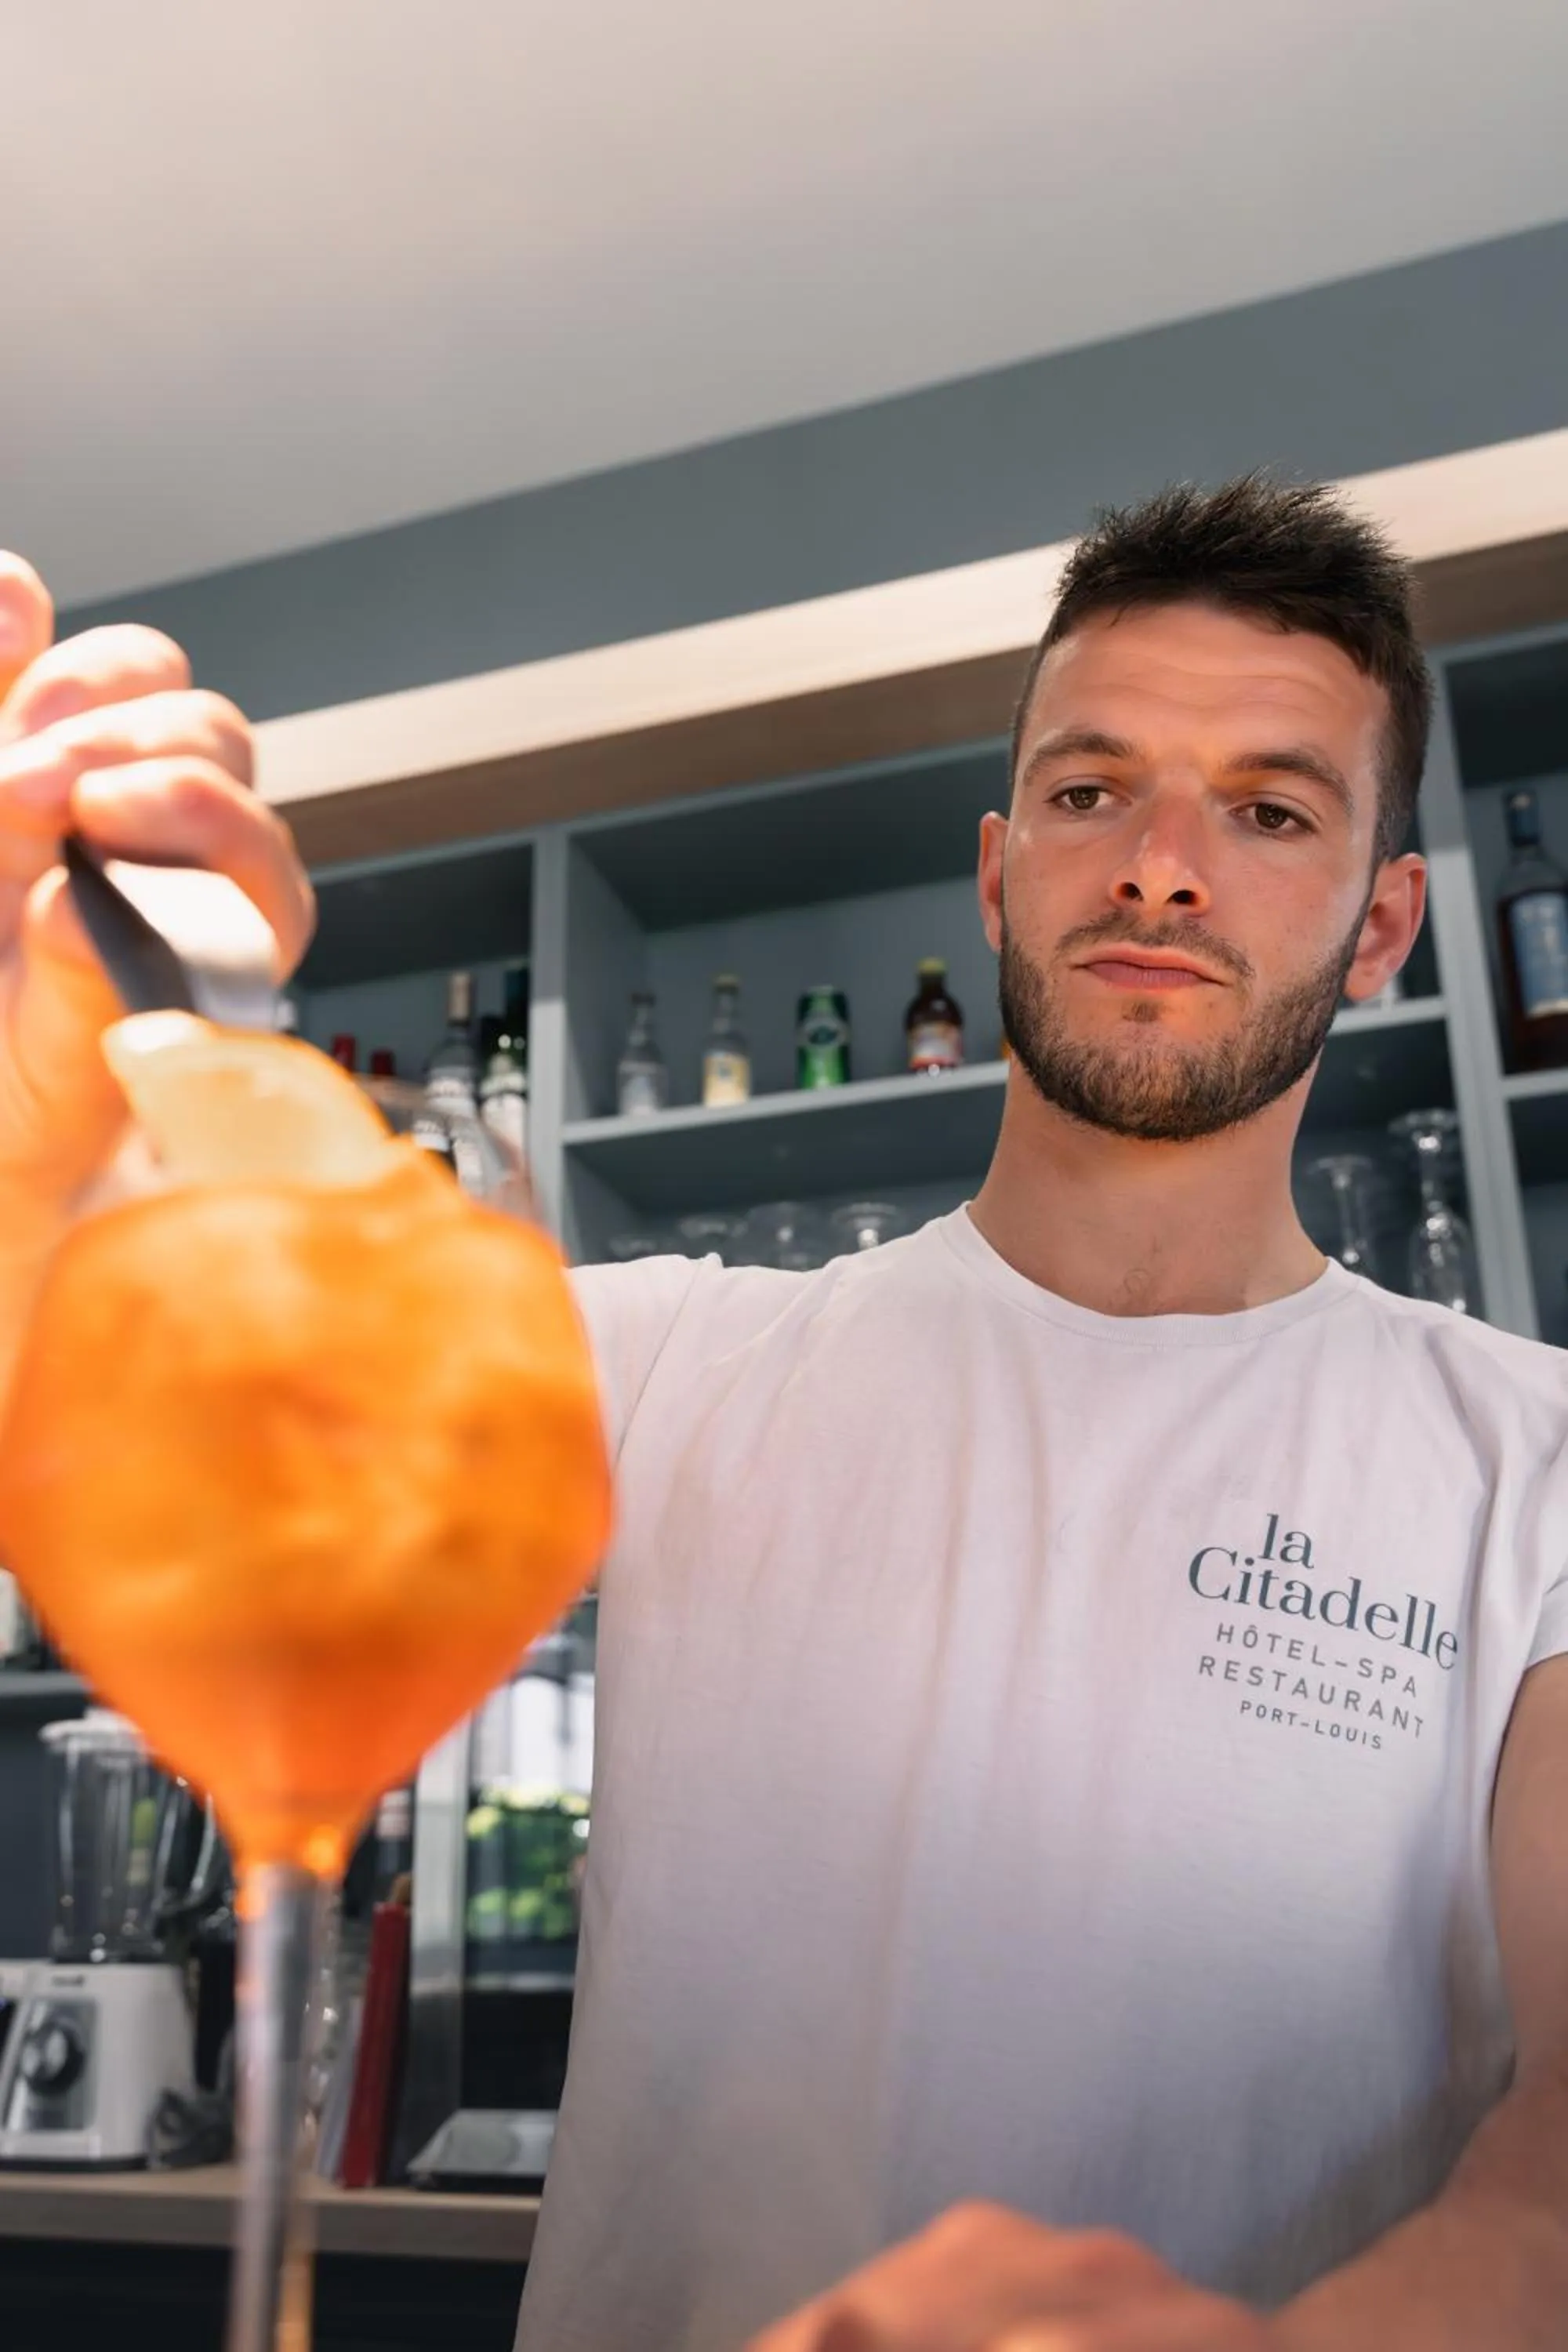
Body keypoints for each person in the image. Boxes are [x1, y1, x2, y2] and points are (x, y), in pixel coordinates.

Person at [0, 477, 1566, 2352]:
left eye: (1268, 809)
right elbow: (122, 1446)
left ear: (1382, 922)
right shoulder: (660, 1365)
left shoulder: (1530, 1455)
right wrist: (28, 1150)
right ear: (997, 873)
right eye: (1089, 790)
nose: (1160, 865)